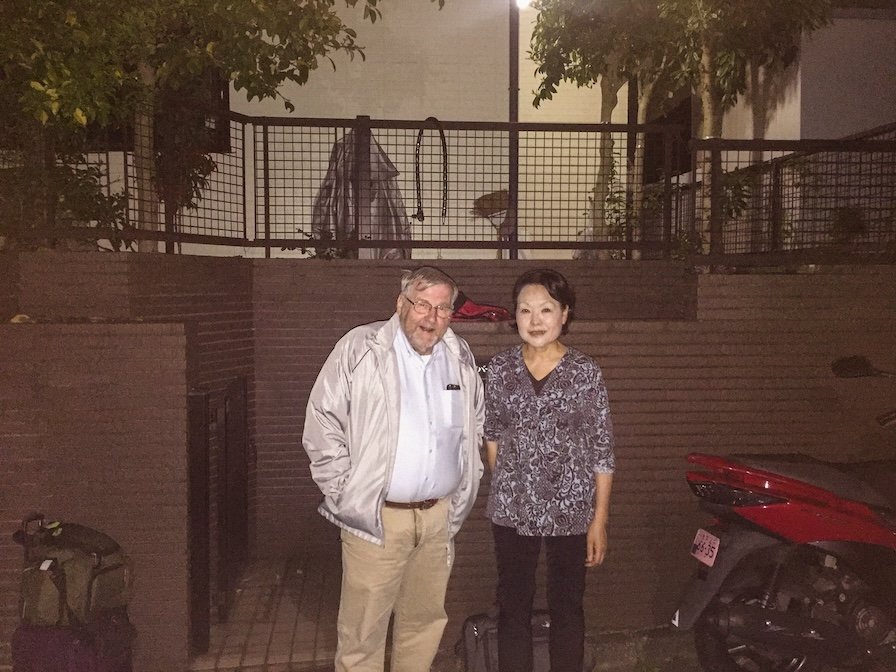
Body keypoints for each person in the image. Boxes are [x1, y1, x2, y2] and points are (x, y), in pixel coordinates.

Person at [303, 266, 485, 672]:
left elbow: (473, 425)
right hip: (377, 521)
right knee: (362, 634)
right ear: (401, 303)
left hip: (437, 520)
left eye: (443, 308)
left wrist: (462, 488)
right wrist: (346, 493)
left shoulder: (459, 357)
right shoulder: (360, 348)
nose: (431, 317)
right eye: (422, 304)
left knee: (424, 625)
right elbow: (322, 420)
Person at [484, 268, 615, 672]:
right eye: (525, 310)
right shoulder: (501, 369)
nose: (535, 320)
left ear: (564, 314)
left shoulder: (584, 372)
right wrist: (510, 484)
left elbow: (602, 449)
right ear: (515, 316)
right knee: (513, 605)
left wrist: (599, 519)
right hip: (512, 510)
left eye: (546, 309)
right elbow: (492, 435)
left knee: (567, 606)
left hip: (571, 510)